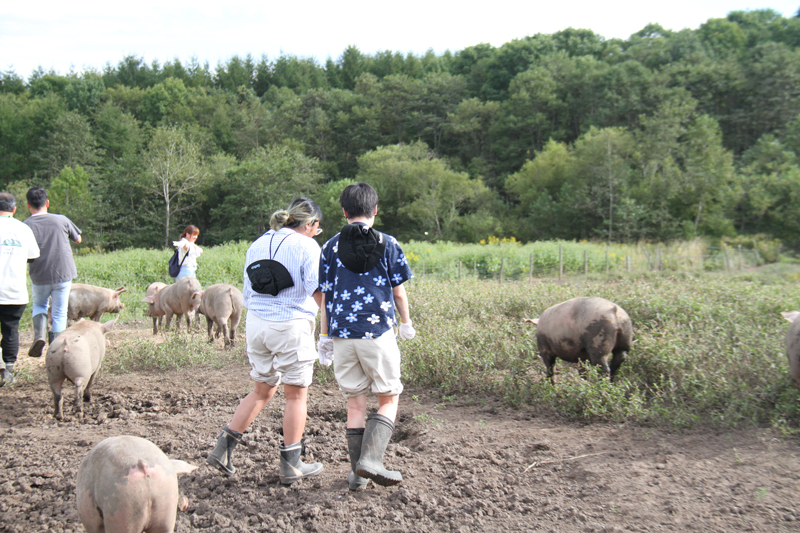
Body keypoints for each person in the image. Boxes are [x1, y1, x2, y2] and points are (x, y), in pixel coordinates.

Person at [207, 197, 325, 485]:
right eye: (317, 227)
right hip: (291, 326)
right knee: (295, 395)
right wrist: (329, 330)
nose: (317, 232)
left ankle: (222, 450)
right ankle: (292, 464)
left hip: (257, 325)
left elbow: (247, 293)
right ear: (309, 224)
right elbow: (318, 291)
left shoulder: (258, 243)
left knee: (262, 390)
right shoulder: (308, 246)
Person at [316, 182, 416, 490]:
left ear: (344, 212)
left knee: (355, 404)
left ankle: (357, 476)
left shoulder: (329, 247)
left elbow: (325, 299)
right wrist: (407, 322)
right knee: (388, 397)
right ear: (375, 211)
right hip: (378, 334)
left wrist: (324, 337)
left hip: (342, 337)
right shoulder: (388, 243)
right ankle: (372, 460)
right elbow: (398, 293)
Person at [23, 187, 81, 357]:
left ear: (28, 205)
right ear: (47, 203)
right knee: (59, 311)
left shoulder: (25, 225)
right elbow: (78, 239)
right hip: (63, 273)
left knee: (40, 305)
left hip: (39, 273)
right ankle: (56, 349)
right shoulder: (61, 220)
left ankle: (40, 335)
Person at [0, 193, 40, 386]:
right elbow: (33, 256)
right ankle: (8, 371)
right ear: (14, 209)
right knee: (10, 331)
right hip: (15, 292)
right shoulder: (23, 229)